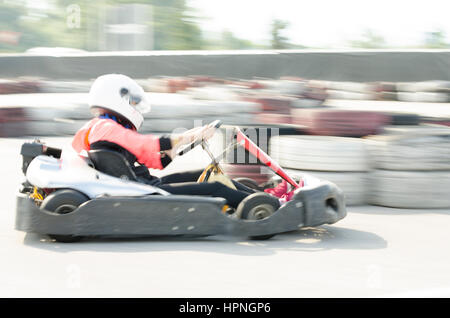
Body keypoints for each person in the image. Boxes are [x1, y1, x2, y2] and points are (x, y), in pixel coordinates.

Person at [71, 74, 290, 209]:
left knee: (207, 172)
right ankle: (272, 205)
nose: (135, 107)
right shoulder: (103, 126)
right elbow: (144, 144)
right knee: (215, 187)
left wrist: (183, 144)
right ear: (116, 98)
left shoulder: (105, 128)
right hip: (142, 191)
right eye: (133, 102)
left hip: (142, 184)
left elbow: (153, 159)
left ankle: (263, 197)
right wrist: (190, 135)